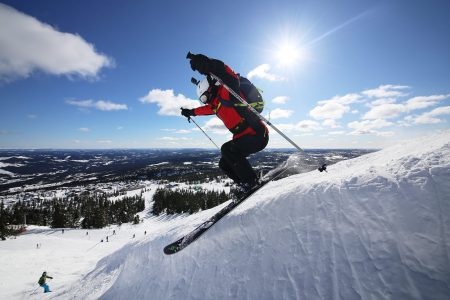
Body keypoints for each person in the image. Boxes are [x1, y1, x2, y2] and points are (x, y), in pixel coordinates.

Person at [182, 53, 269, 195]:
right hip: (244, 138)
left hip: (256, 134)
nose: (205, 101)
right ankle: (244, 185)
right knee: (223, 163)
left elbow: (228, 73)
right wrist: (190, 112)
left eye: (204, 97)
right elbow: (203, 110)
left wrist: (207, 65)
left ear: (209, 90)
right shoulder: (215, 104)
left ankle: (251, 182)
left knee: (227, 149)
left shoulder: (228, 90)